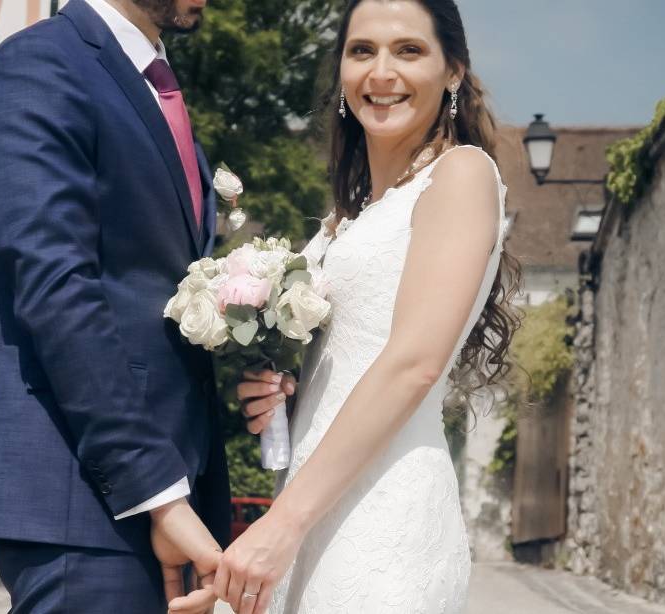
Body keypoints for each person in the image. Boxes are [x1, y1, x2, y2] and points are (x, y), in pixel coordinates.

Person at [217, 1, 522, 612]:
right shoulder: (348, 217)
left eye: (408, 50)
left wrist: (280, 526)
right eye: (363, 51)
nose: (381, 72)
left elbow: (413, 362)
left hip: (384, 518)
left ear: (453, 70)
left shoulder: (460, 176)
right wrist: (289, 392)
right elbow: (357, 358)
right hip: (314, 505)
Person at [0, 1, 238, 612]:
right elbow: (55, 287)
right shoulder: (41, 64)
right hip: (83, 496)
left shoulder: (151, 83)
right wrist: (157, 490)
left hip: (165, 494)